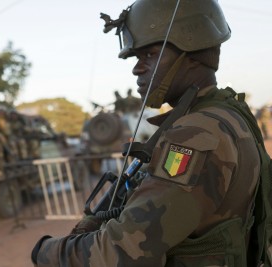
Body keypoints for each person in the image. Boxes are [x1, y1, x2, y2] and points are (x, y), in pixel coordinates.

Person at [31, 0, 270, 266]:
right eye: (137, 57)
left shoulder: (195, 135)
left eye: (150, 55)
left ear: (192, 54)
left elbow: (122, 251)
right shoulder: (226, 113)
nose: (137, 68)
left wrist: (44, 251)